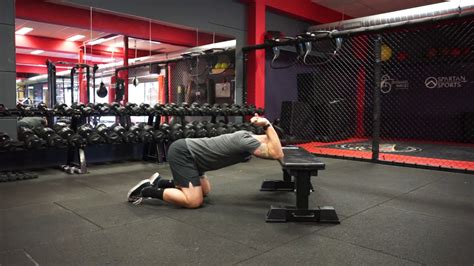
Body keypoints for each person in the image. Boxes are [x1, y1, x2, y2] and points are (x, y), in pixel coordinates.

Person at [127, 113, 284, 208]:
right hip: (184, 153)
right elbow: (277, 153)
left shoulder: (249, 136)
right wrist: (267, 124)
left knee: (205, 191)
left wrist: (270, 132)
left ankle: (161, 182)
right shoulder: (248, 142)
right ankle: (147, 190)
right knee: (194, 201)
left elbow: (273, 145)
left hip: (195, 159)